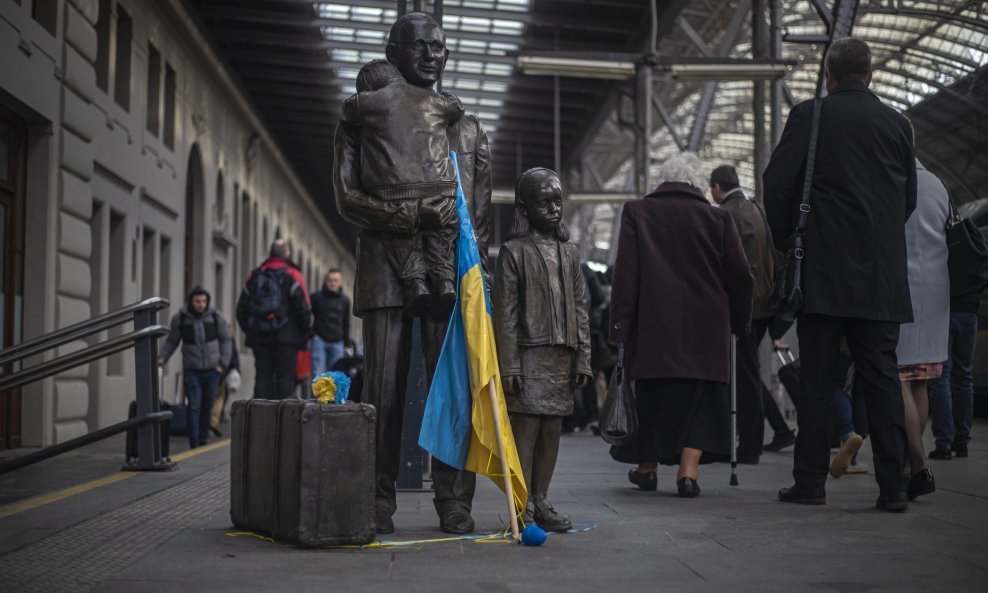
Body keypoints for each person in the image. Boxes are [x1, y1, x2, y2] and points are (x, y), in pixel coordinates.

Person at [334, 12, 492, 535]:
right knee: (383, 385)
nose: (432, 55)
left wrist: (475, 270)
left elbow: (482, 211)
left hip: (451, 266)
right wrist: (405, 215)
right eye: (420, 46)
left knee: (453, 384)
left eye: (440, 47)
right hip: (384, 263)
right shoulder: (363, 117)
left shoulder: (467, 127)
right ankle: (378, 498)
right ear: (393, 52)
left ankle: (454, 501)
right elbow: (346, 195)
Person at [763, 37, 916, 512]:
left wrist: (793, 240)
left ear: (828, 74)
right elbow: (906, 199)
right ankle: (894, 488)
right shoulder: (897, 125)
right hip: (881, 279)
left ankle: (810, 482)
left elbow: (776, 185)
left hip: (823, 274)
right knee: (883, 381)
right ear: (869, 74)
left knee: (817, 381)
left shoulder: (810, 118)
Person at [609, 153, 753, 497]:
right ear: (697, 184)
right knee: (702, 400)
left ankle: (647, 469)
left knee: (655, 398)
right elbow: (741, 277)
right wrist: (739, 321)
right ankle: (688, 474)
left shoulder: (638, 212)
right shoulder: (718, 219)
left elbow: (626, 274)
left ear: (662, 180)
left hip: (655, 328)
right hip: (709, 327)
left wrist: (619, 326)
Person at [493, 167, 592, 532]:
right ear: (525, 207)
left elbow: (581, 310)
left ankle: (541, 498)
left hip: (561, 355)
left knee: (552, 430)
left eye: (558, 201)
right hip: (527, 355)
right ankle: (521, 504)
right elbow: (505, 314)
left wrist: (583, 357)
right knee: (526, 431)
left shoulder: (570, 252)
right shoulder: (513, 252)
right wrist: (510, 366)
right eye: (544, 203)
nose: (554, 209)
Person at [341, 59, 464, 316]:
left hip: (397, 192)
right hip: (440, 188)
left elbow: (348, 109)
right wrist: (450, 98)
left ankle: (415, 282)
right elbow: (456, 108)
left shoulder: (369, 102)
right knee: (440, 237)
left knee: (403, 241)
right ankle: (444, 281)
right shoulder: (435, 101)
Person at [710, 164, 775, 464]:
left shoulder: (726, 214)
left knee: (744, 376)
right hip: (764, 303)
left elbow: (727, 264)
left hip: (742, 306)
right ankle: (749, 441)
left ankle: (749, 445)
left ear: (717, 187)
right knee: (749, 374)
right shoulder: (756, 208)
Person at [895, 158, 950, 499]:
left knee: (897, 377)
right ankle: (908, 465)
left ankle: (918, 466)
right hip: (936, 292)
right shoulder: (938, 184)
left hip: (901, 289)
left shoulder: (892, 181)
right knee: (921, 383)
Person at [235, 240, 312, 400]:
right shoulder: (294, 275)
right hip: (287, 339)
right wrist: (303, 332)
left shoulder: (256, 275)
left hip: (260, 338)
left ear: (270, 253)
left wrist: (251, 329)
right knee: (285, 380)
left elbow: (241, 309)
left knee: (262, 378)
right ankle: (283, 421)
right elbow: (304, 308)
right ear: (287, 254)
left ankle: (259, 420)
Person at [158, 286, 233, 449]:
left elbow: (226, 340)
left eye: (204, 301)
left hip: (213, 370)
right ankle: (194, 441)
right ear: (191, 301)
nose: (201, 304)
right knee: (194, 405)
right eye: (197, 301)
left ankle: (203, 437)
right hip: (192, 370)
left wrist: (222, 365)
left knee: (207, 405)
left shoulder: (215, 316)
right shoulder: (181, 319)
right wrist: (162, 357)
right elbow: (172, 341)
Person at [310, 269, 353, 376]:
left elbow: (346, 323)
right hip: (319, 340)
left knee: (335, 376)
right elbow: (305, 316)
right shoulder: (316, 297)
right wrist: (312, 335)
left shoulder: (345, 301)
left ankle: (332, 394)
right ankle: (317, 394)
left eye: (336, 280)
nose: (333, 283)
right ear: (325, 281)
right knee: (317, 374)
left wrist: (347, 344)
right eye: (330, 280)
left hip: (337, 342)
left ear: (340, 282)